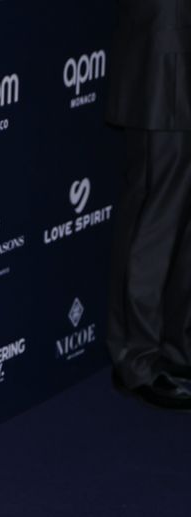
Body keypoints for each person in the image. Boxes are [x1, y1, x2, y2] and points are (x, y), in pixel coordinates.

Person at [106, 0, 191, 411]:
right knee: (155, 218)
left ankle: (179, 350)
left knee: (183, 222)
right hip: (162, 60)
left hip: (179, 55)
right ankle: (136, 360)